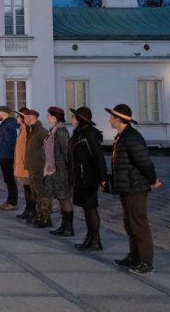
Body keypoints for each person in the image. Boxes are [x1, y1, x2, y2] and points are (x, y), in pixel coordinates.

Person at [107, 104, 161, 275]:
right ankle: (134, 255)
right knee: (130, 223)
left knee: (139, 223)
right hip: (126, 186)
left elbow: (144, 161)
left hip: (135, 187)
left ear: (118, 119)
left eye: (111, 117)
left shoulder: (131, 137)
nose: (109, 119)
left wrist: (153, 179)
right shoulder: (122, 136)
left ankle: (146, 261)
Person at [70, 107, 107, 251]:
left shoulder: (88, 133)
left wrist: (103, 177)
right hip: (81, 176)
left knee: (90, 208)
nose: (72, 119)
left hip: (88, 177)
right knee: (87, 208)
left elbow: (98, 156)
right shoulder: (79, 133)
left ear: (79, 119)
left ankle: (95, 240)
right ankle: (90, 237)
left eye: (74, 117)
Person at [45, 107, 74, 237]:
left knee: (64, 198)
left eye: (49, 115)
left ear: (55, 117)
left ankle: (68, 227)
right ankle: (64, 225)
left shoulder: (61, 131)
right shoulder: (53, 130)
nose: (47, 118)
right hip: (56, 170)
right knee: (61, 199)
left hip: (62, 170)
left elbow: (67, 153)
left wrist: (69, 172)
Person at [24, 109, 51, 227]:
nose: (24, 120)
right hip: (33, 167)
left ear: (30, 118)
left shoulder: (41, 132)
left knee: (42, 193)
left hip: (39, 168)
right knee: (35, 193)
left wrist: (45, 167)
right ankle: (39, 214)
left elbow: (47, 151)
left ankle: (45, 217)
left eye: (25, 117)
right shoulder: (33, 130)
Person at [14, 108, 35, 220]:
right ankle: (28, 209)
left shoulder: (27, 130)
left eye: (18, 116)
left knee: (29, 189)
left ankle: (32, 209)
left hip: (26, 165)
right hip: (22, 165)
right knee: (26, 188)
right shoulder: (22, 130)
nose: (16, 118)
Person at [0, 106, 19, 211]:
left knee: (9, 180)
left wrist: (11, 155)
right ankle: (10, 201)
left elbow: (11, 141)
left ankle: (12, 202)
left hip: (6, 156)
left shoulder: (8, 125)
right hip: (3, 155)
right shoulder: (5, 124)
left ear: (3, 113)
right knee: (7, 179)